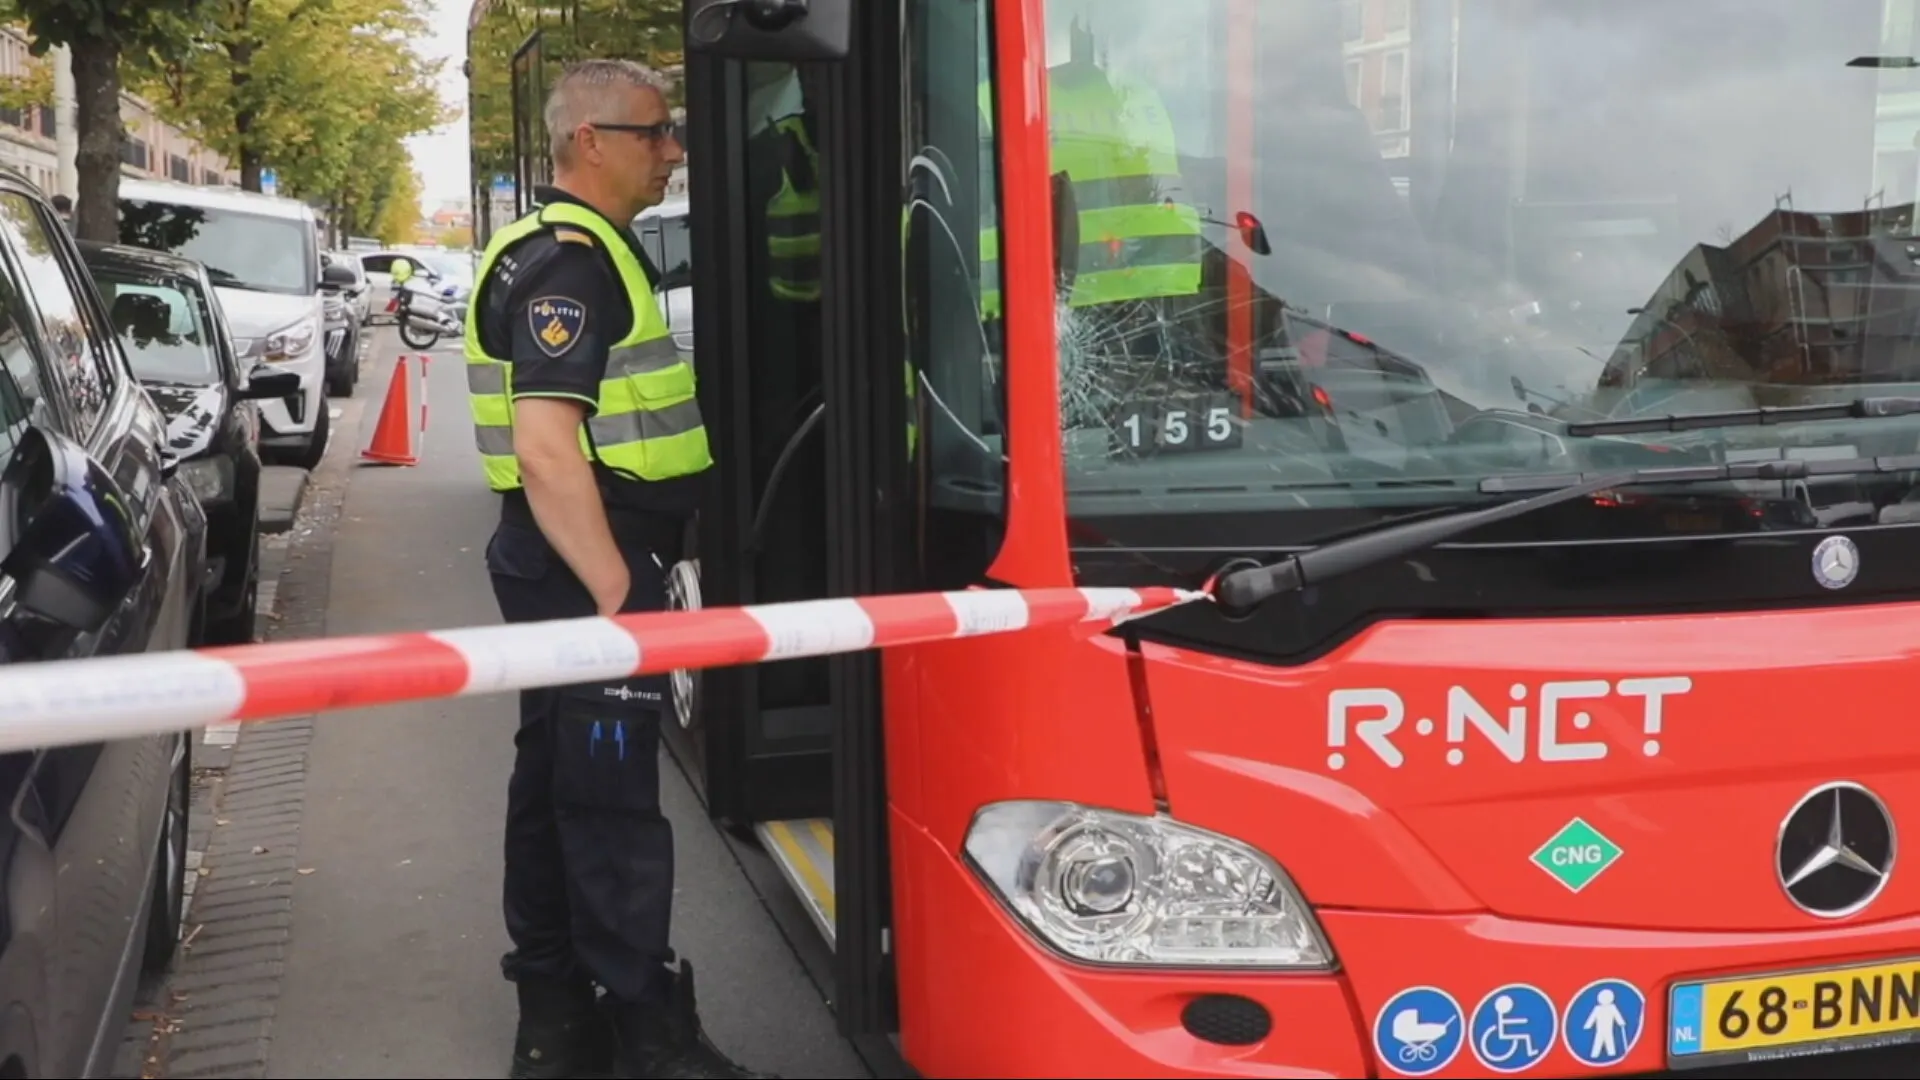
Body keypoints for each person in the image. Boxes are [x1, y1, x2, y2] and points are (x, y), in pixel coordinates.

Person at [462, 58, 775, 1080]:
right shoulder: (573, 262)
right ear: (589, 141)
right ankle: (646, 1031)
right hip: (587, 559)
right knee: (609, 799)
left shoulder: (543, 249)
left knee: (555, 774)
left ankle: (554, 1016)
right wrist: (620, 594)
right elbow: (550, 447)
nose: (674, 150)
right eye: (656, 132)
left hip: (551, 557)